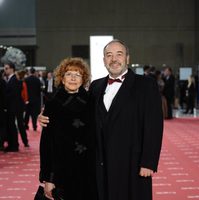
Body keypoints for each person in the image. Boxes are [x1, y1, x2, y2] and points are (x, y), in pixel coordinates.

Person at [39, 39, 163, 200]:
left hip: (132, 165)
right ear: (104, 60)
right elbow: (74, 112)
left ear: (127, 58)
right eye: (109, 55)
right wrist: (44, 116)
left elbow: (154, 126)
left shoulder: (146, 85)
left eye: (119, 54)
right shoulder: (96, 86)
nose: (114, 59)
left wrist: (148, 162)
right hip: (99, 166)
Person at [39, 57, 95, 200]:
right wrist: (48, 178)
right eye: (69, 74)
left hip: (88, 170)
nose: (73, 78)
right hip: (61, 171)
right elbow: (46, 145)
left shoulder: (92, 103)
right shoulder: (52, 105)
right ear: (62, 79)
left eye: (78, 75)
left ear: (83, 79)